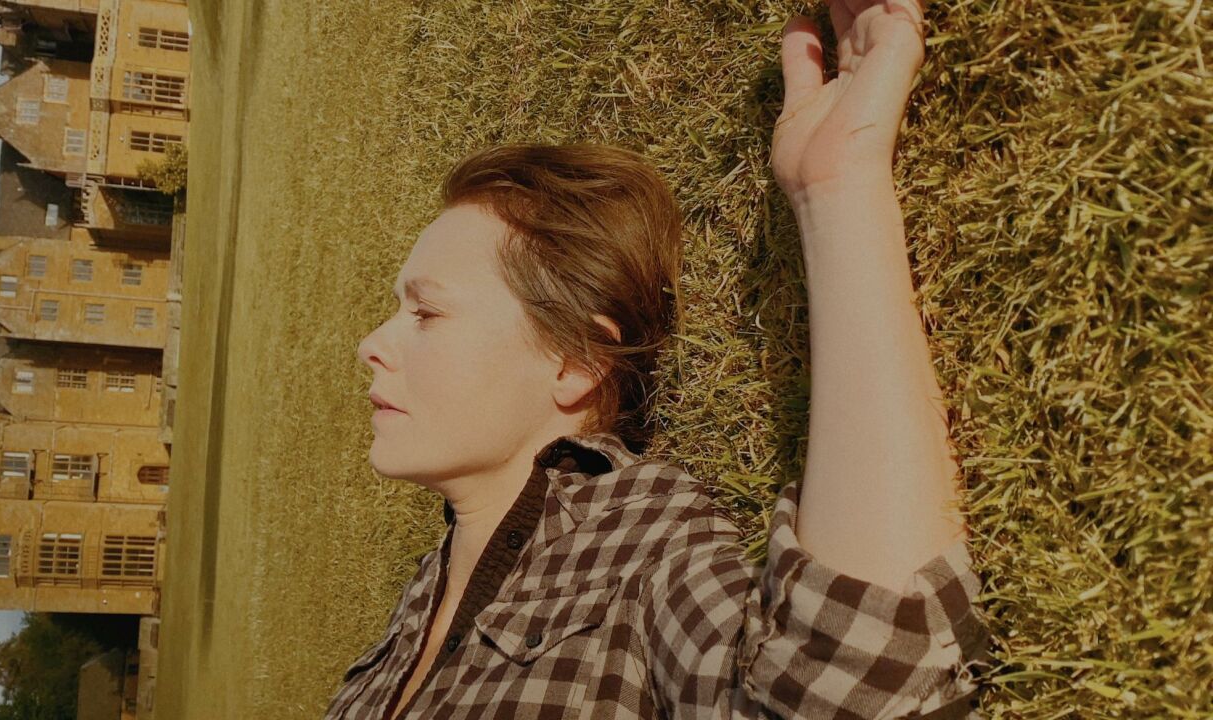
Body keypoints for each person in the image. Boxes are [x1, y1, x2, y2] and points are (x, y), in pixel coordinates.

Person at [327, 0, 992, 717]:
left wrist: (836, 190)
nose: (372, 344)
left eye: (425, 312)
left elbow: (865, 680)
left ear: (573, 361)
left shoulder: (632, 540)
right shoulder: (410, 613)